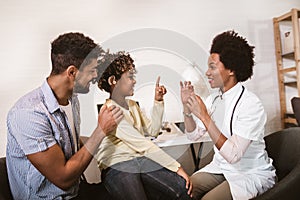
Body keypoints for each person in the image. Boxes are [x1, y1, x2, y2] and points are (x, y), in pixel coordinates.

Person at [6, 32, 123, 200]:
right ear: (72, 72)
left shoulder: (72, 99)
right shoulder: (29, 114)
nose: (95, 76)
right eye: (91, 71)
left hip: (77, 191)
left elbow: (71, 148)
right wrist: (101, 130)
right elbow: (63, 178)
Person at [180, 30, 276, 200]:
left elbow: (234, 155)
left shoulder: (250, 104)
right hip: (220, 168)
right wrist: (187, 109)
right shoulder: (213, 99)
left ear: (231, 69)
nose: (207, 72)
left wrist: (205, 117)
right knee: (182, 189)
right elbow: (193, 135)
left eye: (212, 67)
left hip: (249, 173)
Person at [96, 51, 193, 200]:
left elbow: (152, 131)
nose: (134, 81)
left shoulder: (133, 106)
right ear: (113, 81)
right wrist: (177, 167)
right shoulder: (110, 110)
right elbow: (143, 144)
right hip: (118, 165)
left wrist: (158, 101)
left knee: (182, 190)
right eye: (130, 76)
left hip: (139, 160)